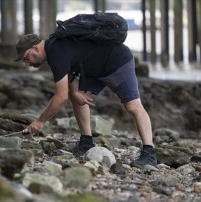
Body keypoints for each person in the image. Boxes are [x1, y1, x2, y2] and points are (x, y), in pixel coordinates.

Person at [13, 33, 157, 168]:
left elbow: (60, 96)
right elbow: (71, 73)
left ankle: (149, 152)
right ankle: (86, 142)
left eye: (26, 58)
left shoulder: (56, 52)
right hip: (96, 69)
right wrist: (75, 92)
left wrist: (40, 122)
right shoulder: (55, 48)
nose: (27, 63)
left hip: (117, 61)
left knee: (133, 106)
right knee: (76, 97)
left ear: (36, 48)